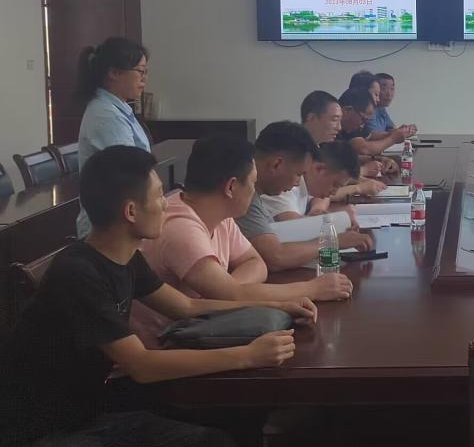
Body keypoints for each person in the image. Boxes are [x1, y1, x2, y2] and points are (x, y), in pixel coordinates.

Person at [0, 145, 315, 447]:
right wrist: (249, 355)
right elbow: (143, 365)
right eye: (158, 197)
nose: (167, 204)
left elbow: (186, 307)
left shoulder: (123, 257)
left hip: (85, 420)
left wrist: (278, 305)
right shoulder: (77, 274)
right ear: (131, 212)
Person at [131, 135, 354, 345]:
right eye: (252, 183)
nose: (254, 191)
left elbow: (255, 264)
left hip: (199, 331)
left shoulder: (221, 216)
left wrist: (228, 289)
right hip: (165, 347)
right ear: (231, 187)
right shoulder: (181, 227)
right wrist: (312, 288)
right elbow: (233, 294)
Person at [237, 121, 373, 271]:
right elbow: (277, 256)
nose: (297, 183)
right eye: (298, 174)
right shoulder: (241, 193)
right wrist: (333, 241)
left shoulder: (252, 192)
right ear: (276, 164)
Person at [75, 37, 152, 238]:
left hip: (124, 218)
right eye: (140, 71)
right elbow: (131, 170)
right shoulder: (106, 116)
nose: (144, 79)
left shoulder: (118, 107)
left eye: (146, 72)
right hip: (110, 228)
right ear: (114, 73)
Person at [298, 90, 385, 203]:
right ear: (312, 118)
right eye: (334, 120)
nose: (339, 127)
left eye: (340, 121)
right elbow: (317, 194)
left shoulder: (315, 147)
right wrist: (359, 188)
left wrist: (361, 181)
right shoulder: (296, 154)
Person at [336, 87, 407, 156]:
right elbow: (363, 149)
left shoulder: (352, 125)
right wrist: (393, 139)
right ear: (348, 111)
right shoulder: (334, 129)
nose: (362, 125)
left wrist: (393, 133)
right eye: (363, 119)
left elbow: (369, 135)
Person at [367, 73, 417, 138]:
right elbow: (373, 136)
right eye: (384, 88)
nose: (389, 94)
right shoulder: (368, 109)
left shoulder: (382, 109)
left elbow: (391, 129)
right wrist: (399, 133)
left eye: (392, 89)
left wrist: (405, 130)